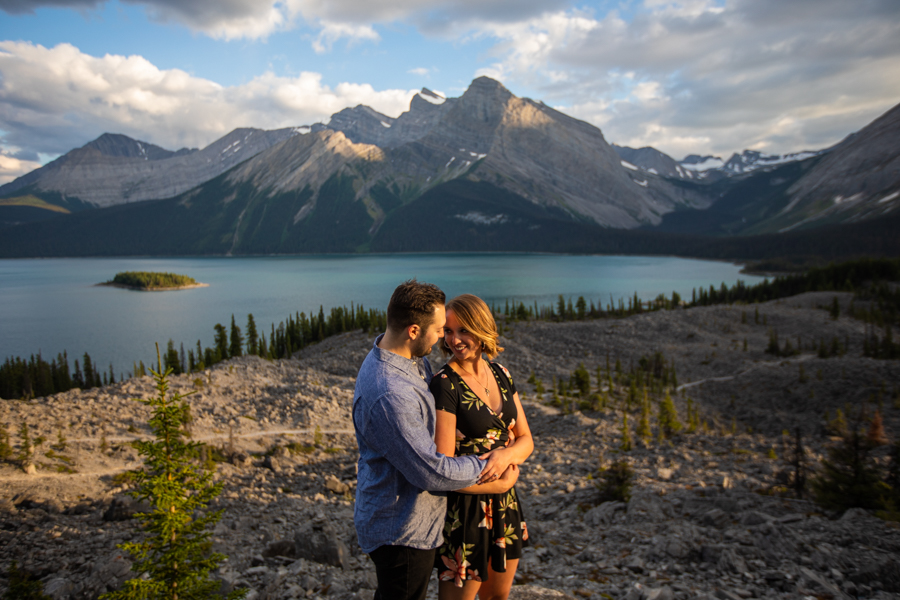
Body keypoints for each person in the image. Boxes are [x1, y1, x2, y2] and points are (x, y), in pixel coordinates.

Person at [353, 280, 517, 600]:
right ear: (414, 330)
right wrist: (491, 467)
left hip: (409, 520)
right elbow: (431, 471)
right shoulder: (391, 392)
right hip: (401, 530)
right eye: (440, 329)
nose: (445, 337)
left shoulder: (408, 358)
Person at [431, 294, 534, 600]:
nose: (455, 340)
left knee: (498, 597)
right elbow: (443, 469)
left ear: (482, 329)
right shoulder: (445, 384)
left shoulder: (501, 374)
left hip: (507, 508)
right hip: (466, 514)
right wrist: (499, 485)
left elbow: (527, 439)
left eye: (464, 330)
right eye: (448, 331)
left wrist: (504, 455)